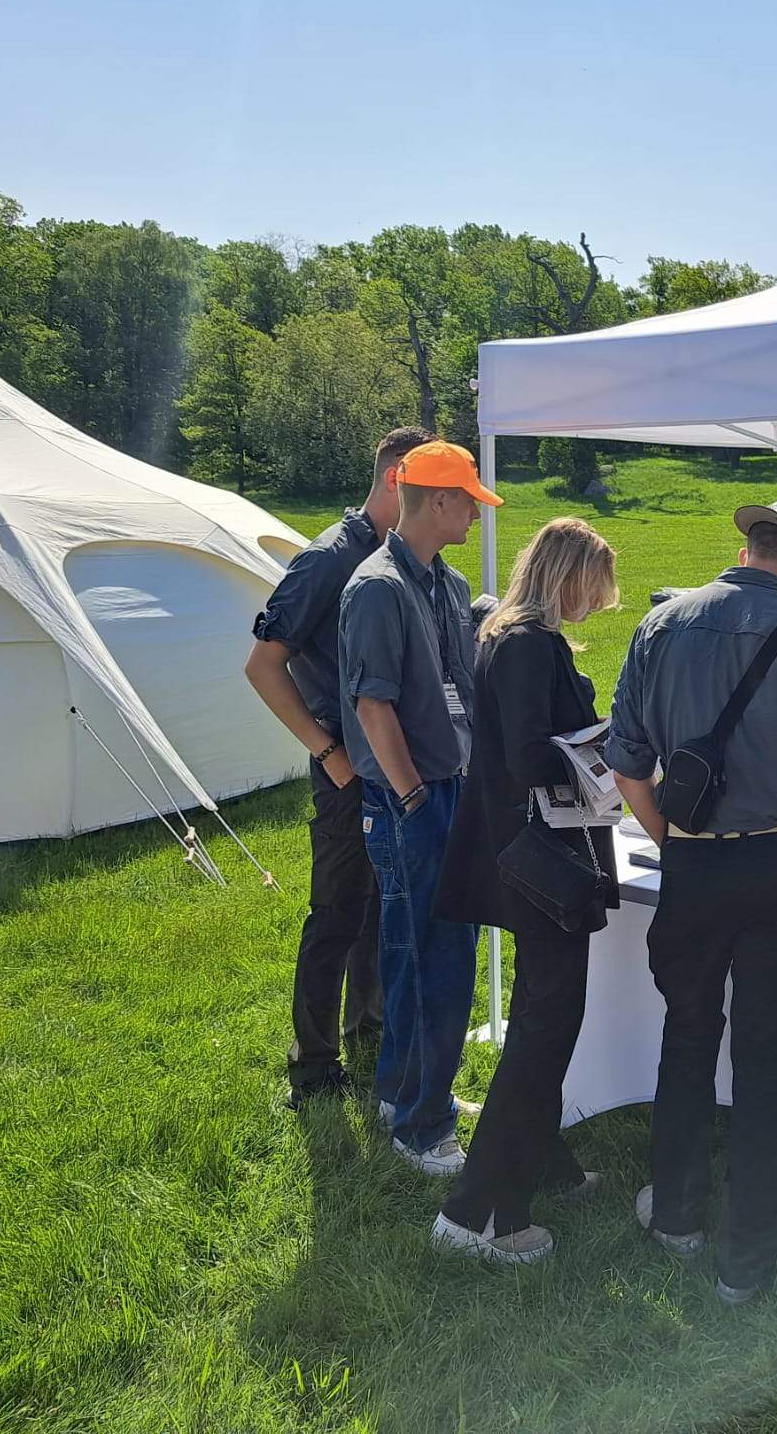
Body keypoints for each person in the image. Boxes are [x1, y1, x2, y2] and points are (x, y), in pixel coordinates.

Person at [607, 499, 777, 1304]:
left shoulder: (660, 626)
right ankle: (749, 1261)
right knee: (764, 1067)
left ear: (749, 548)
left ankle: (677, 1217)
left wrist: (669, 840)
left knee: (685, 1039)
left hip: (693, 870)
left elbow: (626, 765)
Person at [430, 518, 622, 1264]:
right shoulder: (529, 644)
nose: (598, 603)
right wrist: (595, 746)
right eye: (594, 587)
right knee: (546, 1026)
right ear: (568, 574)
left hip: (523, 855)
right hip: (542, 862)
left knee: (548, 1021)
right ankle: (479, 1213)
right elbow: (526, 755)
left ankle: (546, 1165)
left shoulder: (503, 635)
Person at [245, 424, 432, 1108]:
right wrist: (329, 752)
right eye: (432, 489)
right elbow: (263, 664)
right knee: (337, 913)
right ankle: (314, 1064)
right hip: (348, 771)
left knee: (385, 907)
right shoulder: (329, 560)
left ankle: (369, 1025)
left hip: (394, 769)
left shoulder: (406, 557)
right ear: (395, 481)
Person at [338, 440, 499, 1175]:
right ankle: (421, 1127)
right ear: (438, 500)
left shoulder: (443, 582)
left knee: (425, 951)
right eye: (469, 500)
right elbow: (373, 705)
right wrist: (409, 797)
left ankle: (407, 1093)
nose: (475, 513)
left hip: (447, 789)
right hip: (413, 797)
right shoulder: (376, 587)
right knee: (431, 959)